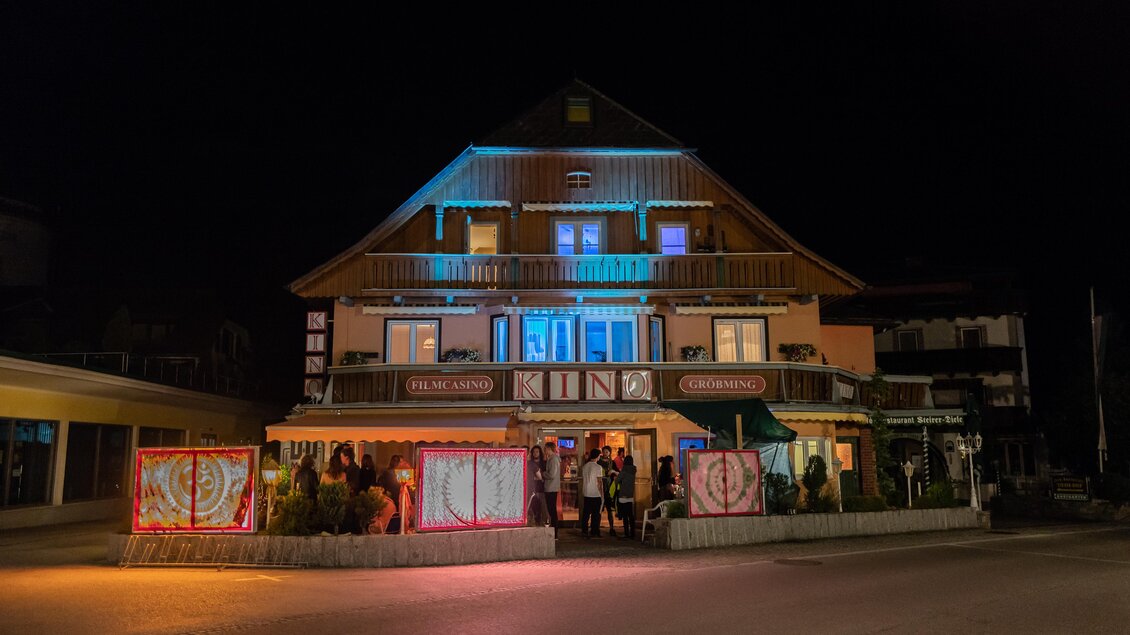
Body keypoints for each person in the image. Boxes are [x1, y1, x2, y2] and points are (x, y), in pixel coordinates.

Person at [580, 448, 604, 538]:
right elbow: (599, 482)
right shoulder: (598, 467)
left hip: (586, 492)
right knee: (595, 514)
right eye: (599, 456)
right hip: (595, 493)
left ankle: (584, 530)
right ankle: (594, 531)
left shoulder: (585, 466)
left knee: (586, 513)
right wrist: (601, 493)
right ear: (597, 456)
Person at [615, 455, 637, 539]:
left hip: (623, 494)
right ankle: (633, 533)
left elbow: (617, 481)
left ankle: (626, 533)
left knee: (625, 515)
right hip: (630, 494)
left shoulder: (624, 470)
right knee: (630, 515)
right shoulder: (633, 470)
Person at [527, 445, 549, 526]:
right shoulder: (529, 463)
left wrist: (540, 477)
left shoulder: (544, 463)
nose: (535, 453)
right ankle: (535, 522)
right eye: (534, 452)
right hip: (532, 488)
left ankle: (544, 522)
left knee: (543, 506)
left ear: (540, 453)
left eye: (537, 452)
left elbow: (545, 475)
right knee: (533, 506)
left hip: (542, 488)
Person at [598, 445, 618, 536]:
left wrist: (613, 472)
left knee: (610, 509)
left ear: (610, 453)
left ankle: (612, 527)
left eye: (607, 452)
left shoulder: (612, 462)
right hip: (601, 486)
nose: (605, 453)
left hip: (609, 487)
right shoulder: (598, 461)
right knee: (599, 509)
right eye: (604, 451)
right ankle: (596, 527)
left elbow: (618, 472)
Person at [543, 441, 561, 538]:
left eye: (545, 448)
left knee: (552, 510)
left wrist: (543, 473)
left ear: (549, 449)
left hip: (551, 487)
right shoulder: (552, 459)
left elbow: (551, 475)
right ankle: (554, 531)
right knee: (551, 510)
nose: (544, 450)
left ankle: (555, 533)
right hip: (551, 487)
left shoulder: (553, 459)